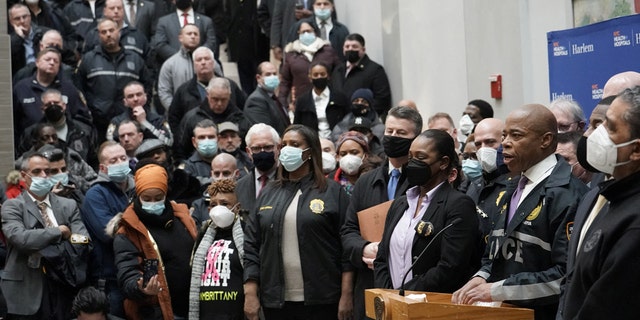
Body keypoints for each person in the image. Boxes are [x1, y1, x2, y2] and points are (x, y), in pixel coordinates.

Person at [452, 104, 588, 320]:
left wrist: (497, 290)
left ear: (545, 140)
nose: (505, 143)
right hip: (504, 313)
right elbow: (495, 251)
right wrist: (481, 276)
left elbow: (566, 277)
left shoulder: (568, 194)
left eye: (516, 135)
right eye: (505, 135)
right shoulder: (512, 185)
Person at [243, 124, 352, 320]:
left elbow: (346, 248)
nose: (286, 149)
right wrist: (250, 293)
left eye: (294, 144)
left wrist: (346, 294)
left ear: (309, 151)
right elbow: (252, 245)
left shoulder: (332, 192)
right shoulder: (268, 192)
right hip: (276, 301)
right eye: (283, 144)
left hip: (323, 299)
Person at [560, 86, 640, 319]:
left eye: (610, 127)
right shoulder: (611, 197)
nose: (594, 136)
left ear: (636, 149)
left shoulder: (634, 223)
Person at [340, 106, 422, 320]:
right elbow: (348, 230)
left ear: (416, 138)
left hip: (410, 284)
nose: (393, 137)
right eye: (390, 131)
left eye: (401, 133)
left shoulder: (423, 181)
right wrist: (364, 248)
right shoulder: (366, 181)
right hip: (370, 282)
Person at [374, 129, 480, 292]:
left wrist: (404, 294)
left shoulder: (458, 205)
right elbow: (382, 257)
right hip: (391, 305)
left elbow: (450, 267)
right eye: (410, 157)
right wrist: (388, 294)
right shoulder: (400, 203)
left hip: (429, 305)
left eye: (421, 158)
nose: (413, 163)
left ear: (443, 162)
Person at [2, 153, 90, 320]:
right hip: (27, 288)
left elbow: (84, 240)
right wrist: (60, 231)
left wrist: (69, 234)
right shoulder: (13, 206)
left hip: (63, 284)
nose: (43, 176)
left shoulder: (68, 205)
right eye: (36, 172)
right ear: (23, 175)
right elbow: (20, 238)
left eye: (48, 172)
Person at [111, 162, 197, 319]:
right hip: (157, 311)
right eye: (147, 198)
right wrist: (141, 286)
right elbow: (126, 274)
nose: (153, 203)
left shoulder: (183, 218)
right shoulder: (128, 231)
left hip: (193, 307)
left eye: (158, 198)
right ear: (138, 195)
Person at [81, 142, 135, 318]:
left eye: (123, 158)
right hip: (110, 278)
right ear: (103, 168)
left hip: (136, 274)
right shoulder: (95, 194)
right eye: (114, 160)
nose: (120, 162)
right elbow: (109, 234)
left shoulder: (138, 188)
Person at [76, 18, 151, 136]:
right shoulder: (89, 59)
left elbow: (147, 87)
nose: (108, 34)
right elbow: (79, 88)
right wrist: (89, 111)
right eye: (103, 32)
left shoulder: (135, 59)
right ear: (99, 35)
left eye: (111, 30)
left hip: (129, 121)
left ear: (119, 32)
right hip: (98, 122)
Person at [189, 179, 246, 319]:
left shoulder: (248, 234)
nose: (218, 208)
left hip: (236, 313)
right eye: (214, 204)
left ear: (237, 208)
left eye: (225, 204)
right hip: (206, 313)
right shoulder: (203, 235)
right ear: (209, 210)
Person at [12, 47, 92, 147]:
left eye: (56, 61)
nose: (52, 63)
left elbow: (83, 118)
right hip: (31, 144)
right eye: (48, 59)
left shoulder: (69, 88)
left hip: (66, 143)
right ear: (37, 62)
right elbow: (13, 122)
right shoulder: (22, 88)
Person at [168, 46, 245, 134]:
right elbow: (174, 119)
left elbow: (242, 111)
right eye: (199, 60)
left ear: (213, 62)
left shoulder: (230, 85)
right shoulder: (183, 91)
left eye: (206, 59)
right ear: (194, 64)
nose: (203, 62)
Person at [175, 78, 250, 162]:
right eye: (215, 99)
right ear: (207, 94)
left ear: (229, 96)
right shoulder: (192, 118)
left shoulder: (240, 118)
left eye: (223, 100)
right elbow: (180, 150)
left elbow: (248, 147)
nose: (219, 104)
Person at [19, 89, 98, 166]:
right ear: (42, 109)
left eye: (56, 103)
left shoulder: (83, 130)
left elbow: (94, 161)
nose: (53, 106)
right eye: (48, 104)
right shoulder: (31, 133)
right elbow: (24, 162)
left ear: (64, 106)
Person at [465, 118, 511, 246]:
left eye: (490, 142)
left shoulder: (516, 185)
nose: (483, 149)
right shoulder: (474, 184)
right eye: (478, 144)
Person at [278, 20, 340, 111]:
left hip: (328, 100)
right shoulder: (291, 54)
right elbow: (285, 81)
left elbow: (338, 73)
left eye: (309, 31)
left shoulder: (327, 50)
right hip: (302, 103)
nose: (306, 34)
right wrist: (283, 104)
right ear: (298, 33)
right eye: (303, 32)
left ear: (315, 31)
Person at [330, 33, 391, 119]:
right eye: (347, 47)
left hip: (365, 122)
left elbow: (382, 99)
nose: (350, 49)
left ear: (363, 49)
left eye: (354, 46)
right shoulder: (338, 70)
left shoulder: (375, 70)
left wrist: (366, 115)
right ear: (343, 49)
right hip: (340, 121)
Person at [223, 0, 270, 95]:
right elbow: (228, 16)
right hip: (239, 44)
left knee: (259, 74)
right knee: (244, 77)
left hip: (259, 44)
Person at [107, 81, 173, 145]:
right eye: (130, 96)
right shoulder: (117, 121)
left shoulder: (158, 120)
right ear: (125, 102)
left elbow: (169, 143)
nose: (135, 99)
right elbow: (111, 146)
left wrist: (144, 123)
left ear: (145, 97)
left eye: (139, 94)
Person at [152, 0, 217, 65]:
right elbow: (160, 44)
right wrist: (180, 58)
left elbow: (211, 42)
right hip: (174, 65)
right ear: (173, 1)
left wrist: (198, 56)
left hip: (200, 64)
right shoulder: (164, 21)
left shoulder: (206, 21)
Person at [294, 61, 348, 138]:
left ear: (328, 76)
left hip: (336, 141)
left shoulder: (339, 98)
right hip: (312, 143)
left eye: (322, 74)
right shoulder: (303, 100)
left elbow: (347, 121)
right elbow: (297, 126)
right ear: (310, 78)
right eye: (315, 75)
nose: (319, 77)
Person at [235, 123, 280, 214]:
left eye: (268, 147)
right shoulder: (239, 187)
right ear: (248, 152)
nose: (262, 152)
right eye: (256, 148)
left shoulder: (291, 182)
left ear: (278, 148)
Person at [81, 0, 149, 57]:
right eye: (112, 8)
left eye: (119, 8)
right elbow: (85, 61)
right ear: (104, 11)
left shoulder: (137, 35)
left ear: (124, 10)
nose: (116, 11)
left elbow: (148, 64)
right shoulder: (93, 34)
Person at [158, 24, 201, 111]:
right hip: (180, 116)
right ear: (180, 38)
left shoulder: (210, 62)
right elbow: (164, 92)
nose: (193, 36)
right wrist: (175, 111)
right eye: (189, 34)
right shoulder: (170, 64)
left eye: (196, 34)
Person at [244, 61, 291, 135]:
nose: (272, 77)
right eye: (268, 74)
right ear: (258, 78)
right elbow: (265, 132)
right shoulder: (255, 100)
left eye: (275, 74)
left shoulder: (273, 97)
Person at [331, 131, 382, 196]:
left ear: (365, 155)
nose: (348, 157)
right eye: (343, 154)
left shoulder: (377, 177)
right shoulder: (330, 181)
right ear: (337, 157)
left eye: (354, 153)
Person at [9, 3, 49, 76]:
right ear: (11, 22)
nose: (22, 21)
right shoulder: (10, 41)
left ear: (30, 17)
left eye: (24, 17)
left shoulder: (44, 34)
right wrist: (19, 38)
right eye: (17, 19)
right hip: (22, 79)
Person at [182, 119, 219, 188]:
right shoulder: (188, 168)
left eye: (211, 137)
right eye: (201, 137)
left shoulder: (232, 160)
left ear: (218, 139)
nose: (207, 141)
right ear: (194, 142)